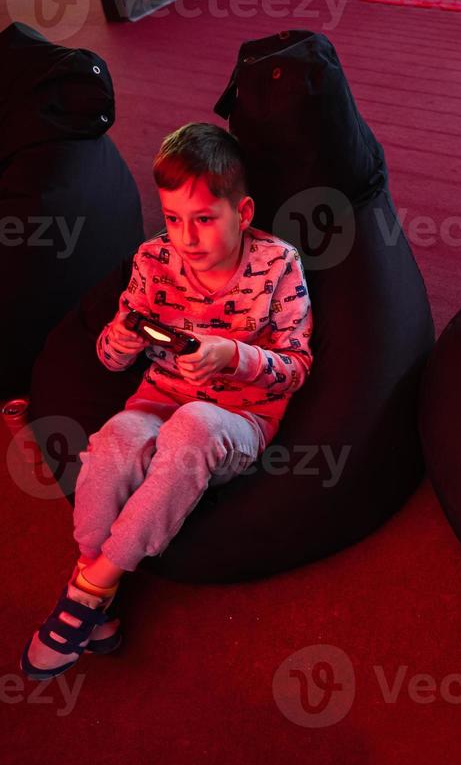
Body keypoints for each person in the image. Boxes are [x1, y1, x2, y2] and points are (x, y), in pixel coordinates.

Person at [21, 122, 313, 680]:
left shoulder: (279, 266)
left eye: (204, 219)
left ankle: (89, 589)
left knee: (194, 427)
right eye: (174, 219)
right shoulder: (154, 261)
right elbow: (107, 358)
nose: (187, 238)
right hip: (158, 399)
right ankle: (94, 584)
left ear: (243, 213)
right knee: (113, 445)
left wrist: (233, 355)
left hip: (237, 417)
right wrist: (121, 342)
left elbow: (296, 370)